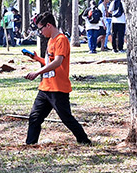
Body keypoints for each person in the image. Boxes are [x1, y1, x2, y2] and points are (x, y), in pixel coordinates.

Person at [23, 12, 90, 145]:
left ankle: (84, 141)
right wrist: (37, 58)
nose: (40, 32)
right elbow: (50, 62)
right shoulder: (50, 41)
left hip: (58, 88)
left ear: (48, 25)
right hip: (45, 87)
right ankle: (30, 144)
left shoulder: (61, 40)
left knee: (66, 118)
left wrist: (37, 72)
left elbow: (58, 62)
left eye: (41, 29)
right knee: (35, 117)